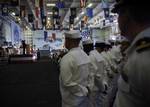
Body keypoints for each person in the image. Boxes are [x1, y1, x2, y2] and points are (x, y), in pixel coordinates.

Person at [111, 0, 150, 107]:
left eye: (118, 14)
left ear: (126, 17)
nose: (118, 20)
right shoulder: (138, 51)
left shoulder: (144, 57)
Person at [59, 30, 93, 107]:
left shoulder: (67, 58)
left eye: (65, 39)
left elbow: (67, 83)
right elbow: (91, 75)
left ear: (68, 41)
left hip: (71, 101)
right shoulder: (85, 56)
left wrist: (83, 90)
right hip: (84, 99)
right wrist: (87, 89)